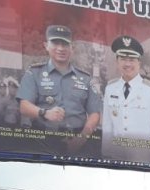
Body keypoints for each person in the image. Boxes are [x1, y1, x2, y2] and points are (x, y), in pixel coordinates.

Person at [16, 25, 101, 156]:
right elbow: (24, 106)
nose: (61, 48)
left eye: (65, 44)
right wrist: (44, 113)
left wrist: (81, 139)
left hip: (78, 141)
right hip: (42, 141)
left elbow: (94, 114)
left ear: (72, 48)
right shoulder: (34, 73)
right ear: (46, 45)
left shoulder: (85, 78)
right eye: (55, 43)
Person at [101, 35, 150, 163]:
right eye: (123, 59)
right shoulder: (111, 88)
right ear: (117, 61)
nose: (127, 64)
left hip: (142, 157)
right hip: (116, 155)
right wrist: (106, 153)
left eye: (132, 59)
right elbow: (108, 124)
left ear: (139, 63)